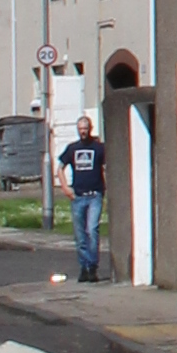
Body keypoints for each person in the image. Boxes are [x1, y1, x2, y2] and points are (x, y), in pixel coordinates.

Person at [60, 110, 106, 283]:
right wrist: (65, 187)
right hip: (77, 197)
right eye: (80, 129)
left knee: (92, 230)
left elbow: (107, 166)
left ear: (90, 128)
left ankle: (93, 266)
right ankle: (84, 266)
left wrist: (105, 188)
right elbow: (60, 168)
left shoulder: (99, 148)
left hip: (94, 195)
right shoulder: (73, 148)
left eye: (85, 128)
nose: (83, 131)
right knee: (80, 235)